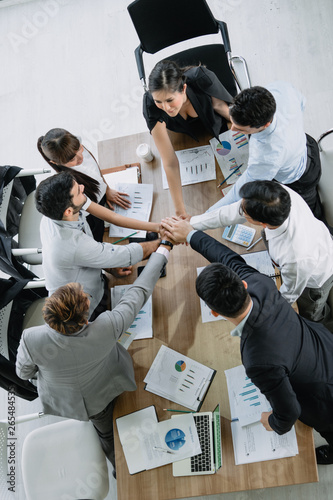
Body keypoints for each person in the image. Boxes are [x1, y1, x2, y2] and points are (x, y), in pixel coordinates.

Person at [160, 220, 333, 465]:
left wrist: (272, 422)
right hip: (324, 346)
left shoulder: (257, 360)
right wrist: (191, 234)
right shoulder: (261, 284)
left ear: (214, 312)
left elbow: (289, 411)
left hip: (324, 398)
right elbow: (228, 258)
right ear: (242, 284)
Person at [15, 239, 172, 474]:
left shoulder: (31, 338)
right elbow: (139, 291)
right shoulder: (106, 326)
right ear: (85, 320)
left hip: (66, 400)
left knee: (105, 432)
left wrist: (52, 370)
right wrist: (164, 249)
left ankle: (118, 468)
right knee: (107, 432)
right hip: (101, 398)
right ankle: (121, 470)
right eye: (87, 300)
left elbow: (23, 372)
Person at [165, 181, 333, 325]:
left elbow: (290, 293)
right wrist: (192, 225)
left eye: (243, 212)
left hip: (315, 279)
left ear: (261, 223)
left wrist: (268, 315)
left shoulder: (295, 257)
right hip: (313, 245)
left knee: (313, 314)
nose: (239, 210)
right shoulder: (276, 194)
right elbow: (230, 212)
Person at [35, 171, 160, 319]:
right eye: (78, 190)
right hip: (84, 308)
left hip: (92, 277)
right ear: (68, 211)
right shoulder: (70, 244)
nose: (82, 187)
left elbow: (111, 217)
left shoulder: (55, 214)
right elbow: (127, 255)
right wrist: (162, 242)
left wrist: (109, 266)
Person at [208, 82, 325, 223]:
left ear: (265, 125)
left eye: (241, 129)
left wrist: (207, 214)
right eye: (233, 122)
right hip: (307, 143)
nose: (232, 129)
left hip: (299, 179)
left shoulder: (266, 155)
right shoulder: (280, 91)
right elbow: (302, 103)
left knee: (308, 215)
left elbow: (239, 192)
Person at [144, 60, 233, 217]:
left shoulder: (201, 78)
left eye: (170, 100)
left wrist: (241, 127)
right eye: (159, 101)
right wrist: (179, 211)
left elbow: (222, 108)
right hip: (183, 139)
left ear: (183, 89)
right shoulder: (150, 104)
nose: (166, 108)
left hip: (213, 129)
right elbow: (170, 162)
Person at [37, 128, 132, 241]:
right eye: (72, 159)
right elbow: (111, 217)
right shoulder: (69, 186)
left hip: (97, 196)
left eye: (79, 148)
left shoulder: (73, 144)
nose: (80, 157)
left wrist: (107, 189)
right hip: (90, 213)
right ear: (56, 163)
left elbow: (93, 164)